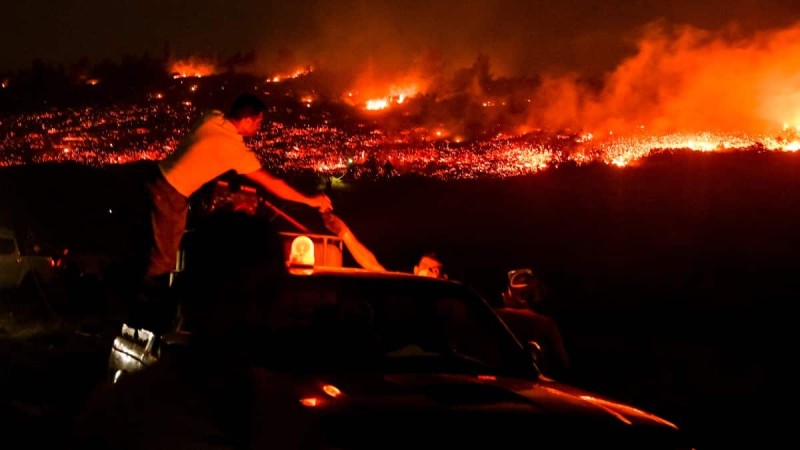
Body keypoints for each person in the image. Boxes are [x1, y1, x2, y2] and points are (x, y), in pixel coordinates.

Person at [69, 212, 305, 450]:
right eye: (235, 296)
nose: (253, 314)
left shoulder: (282, 412)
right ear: (196, 298)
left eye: (267, 295)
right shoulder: (125, 416)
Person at [138, 93, 332, 289]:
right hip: (171, 194)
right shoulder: (234, 149)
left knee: (143, 250)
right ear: (247, 121)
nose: (258, 127)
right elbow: (274, 183)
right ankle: (149, 311)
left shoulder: (211, 118)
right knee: (162, 262)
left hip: (154, 178)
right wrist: (309, 200)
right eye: (258, 121)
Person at [494, 268, 570, 379]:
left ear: (506, 293)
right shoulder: (546, 323)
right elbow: (563, 363)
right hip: (534, 385)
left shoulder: (491, 314)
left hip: (495, 382)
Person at [321, 212, 447, 278]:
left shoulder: (450, 306)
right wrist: (343, 232)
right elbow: (372, 265)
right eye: (426, 267)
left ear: (444, 277)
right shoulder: (403, 294)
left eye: (436, 270)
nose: (431, 272)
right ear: (415, 270)